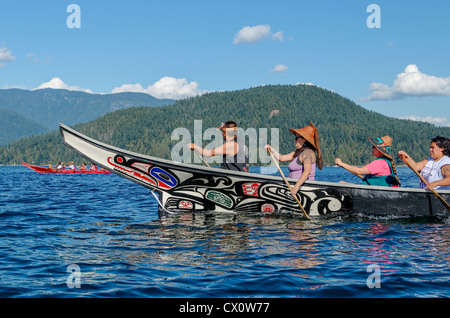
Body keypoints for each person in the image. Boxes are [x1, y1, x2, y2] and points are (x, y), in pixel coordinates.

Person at [265, 121, 323, 198]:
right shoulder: (298, 152)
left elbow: (307, 172)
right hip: (293, 187)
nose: (295, 140)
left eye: (297, 138)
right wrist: (271, 150)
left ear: (304, 139)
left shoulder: (308, 153)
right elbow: (281, 158)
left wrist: (296, 187)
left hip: (303, 190)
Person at [335, 135, 401, 187]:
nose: (372, 147)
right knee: (342, 183)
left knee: (341, 183)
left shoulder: (380, 163)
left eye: (374, 146)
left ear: (380, 150)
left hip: (377, 193)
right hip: (376, 191)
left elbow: (359, 171)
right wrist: (342, 165)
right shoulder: (385, 161)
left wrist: (342, 163)